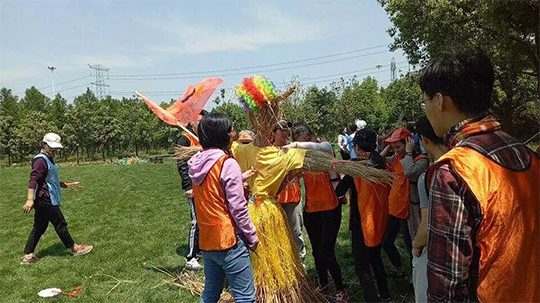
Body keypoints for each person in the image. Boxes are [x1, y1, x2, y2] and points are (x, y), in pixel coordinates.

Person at [421, 50, 540, 302]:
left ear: (441, 101)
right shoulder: (528, 155)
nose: (426, 108)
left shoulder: (453, 170)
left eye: (426, 100)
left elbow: (447, 284)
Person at [188, 113, 259, 303]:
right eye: (231, 130)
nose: (233, 134)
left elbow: (213, 189)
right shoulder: (227, 163)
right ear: (223, 135)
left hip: (207, 239)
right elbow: (238, 208)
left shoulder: (196, 163)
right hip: (229, 240)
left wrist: (239, 178)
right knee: (245, 298)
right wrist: (251, 236)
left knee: (210, 294)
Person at [288, 122, 348, 302]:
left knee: (327, 252)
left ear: (306, 139)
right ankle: (324, 284)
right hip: (311, 210)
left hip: (330, 209)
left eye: (300, 142)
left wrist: (294, 145)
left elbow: (318, 146)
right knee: (316, 251)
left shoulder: (325, 148)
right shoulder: (304, 159)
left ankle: (341, 289)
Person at [335, 129, 392, 303]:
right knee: (375, 258)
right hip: (380, 220)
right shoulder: (381, 161)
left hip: (362, 221)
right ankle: (385, 296)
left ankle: (372, 298)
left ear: (358, 147)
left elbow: (339, 190)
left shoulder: (355, 166)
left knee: (362, 267)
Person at [21, 133, 93, 265]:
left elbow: (47, 178)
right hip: (46, 199)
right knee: (60, 223)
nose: (55, 151)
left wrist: (62, 184)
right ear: (44, 145)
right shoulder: (40, 160)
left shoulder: (48, 158)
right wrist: (30, 199)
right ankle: (75, 248)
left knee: (40, 227)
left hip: (45, 198)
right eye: (52, 148)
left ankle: (28, 255)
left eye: (56, 149)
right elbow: (34, 180)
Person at [380, 128, 429, 277]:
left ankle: (415, 278)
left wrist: (408, 152)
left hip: (408, 212)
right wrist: (390, 145)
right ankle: (399, 270)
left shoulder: (421, 160)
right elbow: (379, 160)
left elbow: (410, 172)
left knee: (411, 247)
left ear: (408, 142)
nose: (396, 151)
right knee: (387, 243)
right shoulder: (396, 158)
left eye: (398, 146)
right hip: (393, 209)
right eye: (394, 148)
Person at [410, 116, 448, 303]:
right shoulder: (468, 166)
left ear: (424, 140)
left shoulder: (428, 177)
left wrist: (416, 244)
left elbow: (427, 224)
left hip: (436, 254)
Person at [176, 109, 207, 271]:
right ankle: (191, 257)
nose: (200, 125)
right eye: (198, 122)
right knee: (196, 220)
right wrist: (187, 186)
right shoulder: (185, 139)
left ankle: (201, 249)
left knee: (205, 219)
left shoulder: (203, 138)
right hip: (193, 187)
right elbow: (181, 164)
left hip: (205, 186)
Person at [272, 120, 307, 261]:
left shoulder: (293, 149)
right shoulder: (268, 151)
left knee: (296, 231)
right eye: (281, 129)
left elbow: (301, 171)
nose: (285, 132)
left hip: (293, 196)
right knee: (277, 232)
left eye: (287, 130)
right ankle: (282, 263)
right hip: (275, 199)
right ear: (273, 132)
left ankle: (301, 262)